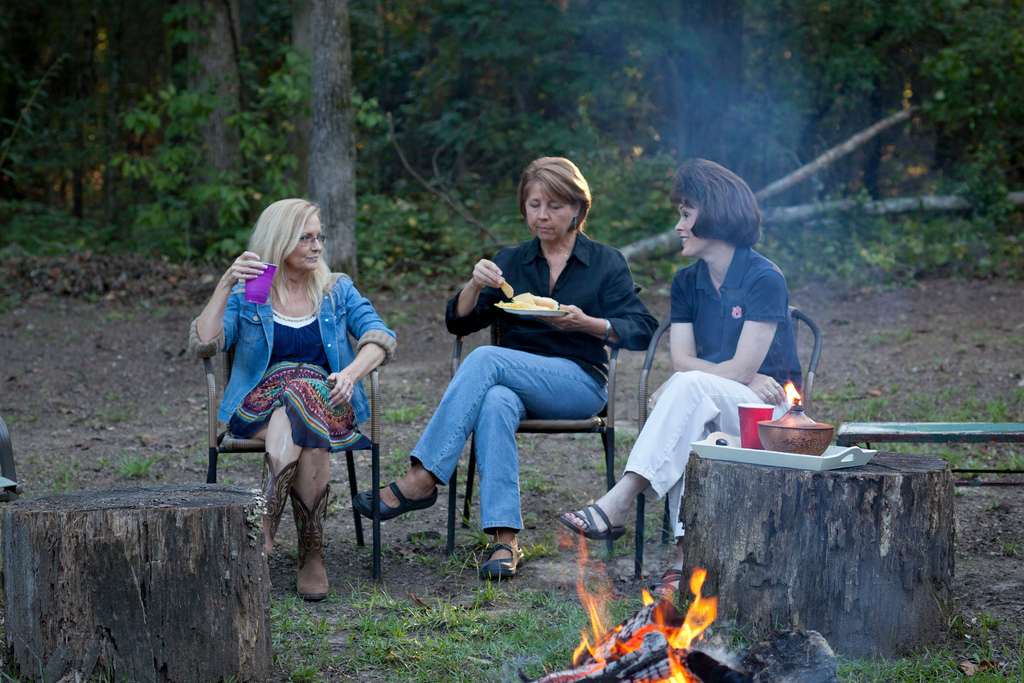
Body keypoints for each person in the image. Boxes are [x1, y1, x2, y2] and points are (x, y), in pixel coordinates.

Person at [353, 157, 657, 580]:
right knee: (495, 400)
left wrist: (583, 322)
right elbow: (459, 322)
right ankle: (504, 538)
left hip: (579, 382)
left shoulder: (606, 262)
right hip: (513, 382)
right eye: (534, 205)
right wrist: (475, 284)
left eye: (553, 205)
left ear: (577, 209)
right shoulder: (511, 262)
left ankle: (423, 478)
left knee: (486, 359)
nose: (542, 216)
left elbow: (642, 329)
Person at [558, 159, 803, 598]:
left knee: (684, 392)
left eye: (687, 214)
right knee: (688, 408)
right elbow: (683, 360)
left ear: (716, 215)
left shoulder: (764, 278)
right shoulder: (686, 281)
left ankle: (619, 502)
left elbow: (738, 371)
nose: (678, 225)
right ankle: (681, 556)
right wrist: (715, 379)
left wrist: (712, 379)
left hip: (772, 415)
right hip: (716, 402)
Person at [188, 198, 396, 601]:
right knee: (300, 411)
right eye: (305, 238)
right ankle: (312, 555)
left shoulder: (337, 289)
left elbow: (380, 337)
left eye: (319, 237)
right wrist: (225, 284)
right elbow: (206, 342)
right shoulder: (255, 288)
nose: (317, 246)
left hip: (329, 399)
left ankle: (263, 526)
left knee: (303, 399)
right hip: (260, 407)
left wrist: (351, 374)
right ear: (280, 241)